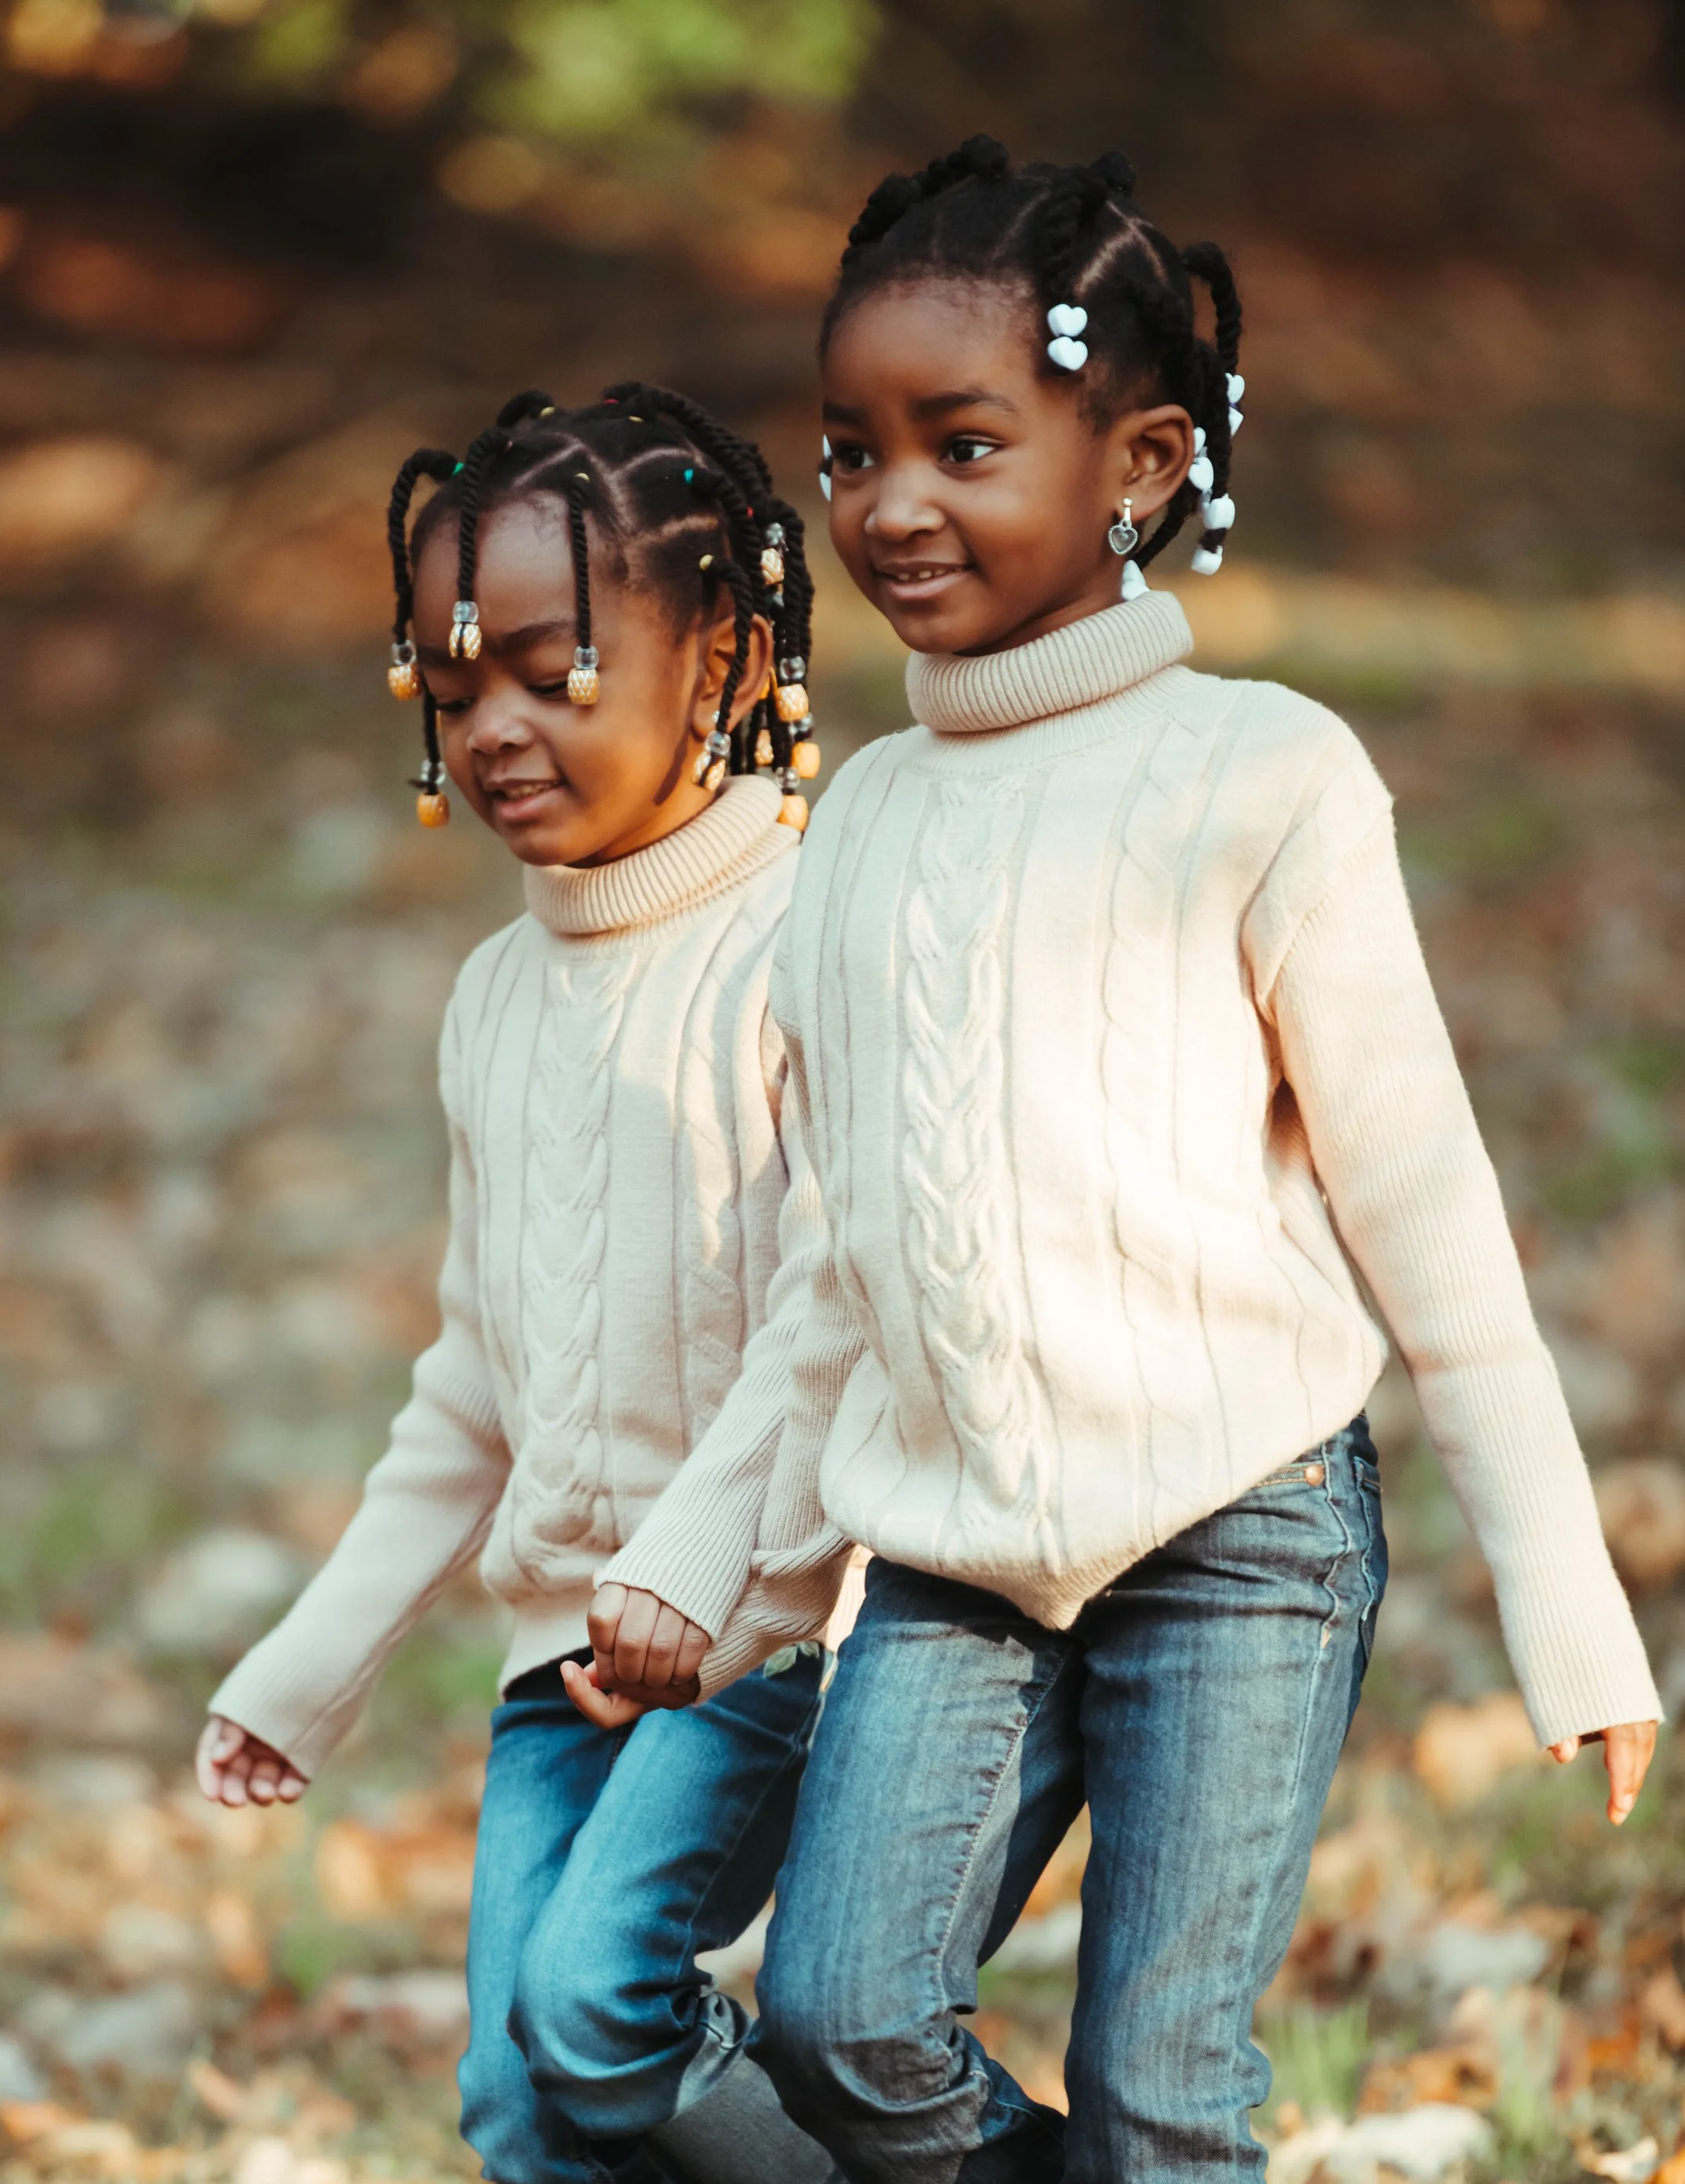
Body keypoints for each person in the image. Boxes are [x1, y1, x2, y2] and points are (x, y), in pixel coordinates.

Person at [578, 143, 1662, 2183]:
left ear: (1142, 463)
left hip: (1239, 1536)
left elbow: (1418, 1209)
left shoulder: (1259, 780)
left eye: (962, 444)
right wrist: (691, 1564)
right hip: (955, 1560)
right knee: (835, 2023)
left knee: (1168, 2096)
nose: (891, 504)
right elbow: (838, 1258)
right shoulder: (860, 825)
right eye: (851, 450)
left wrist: (1564, 1595)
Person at [195, 383, 844, 2184]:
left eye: (550, 670)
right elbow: (473, 1383)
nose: (491, 726)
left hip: (767, 1638)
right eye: (449, 682)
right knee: (515, 2107)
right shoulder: (491, 997)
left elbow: (836, 1310)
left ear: (716, 656)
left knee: (592, 2012)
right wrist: (305, 1670)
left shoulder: (808, 938)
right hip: (557, 1660)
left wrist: (705, 1570)